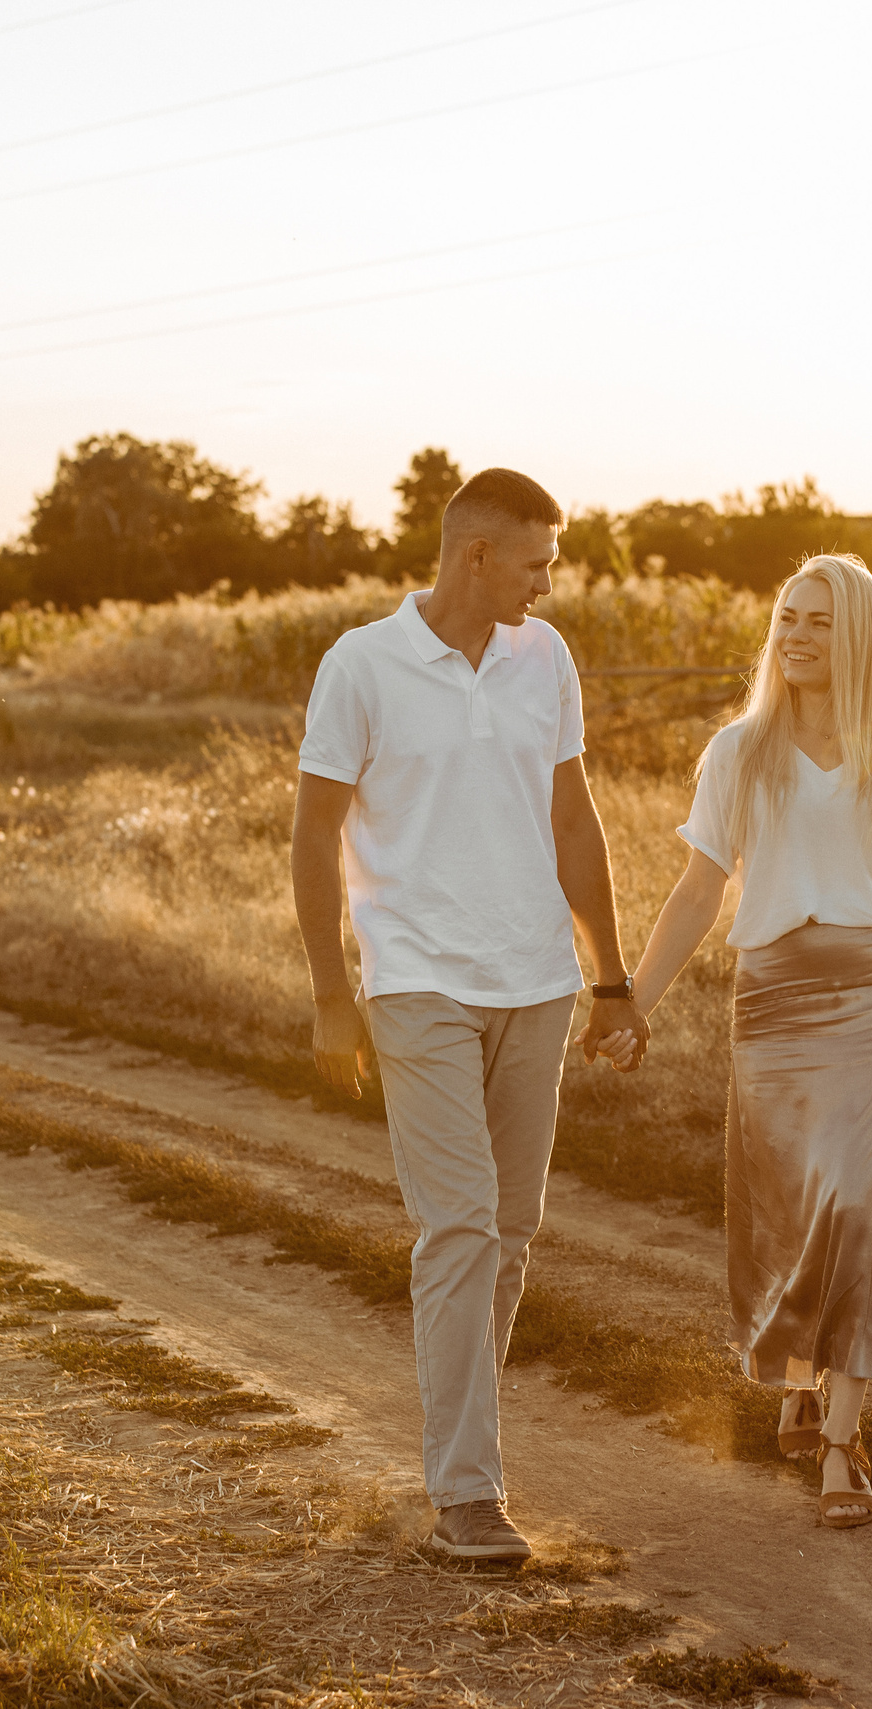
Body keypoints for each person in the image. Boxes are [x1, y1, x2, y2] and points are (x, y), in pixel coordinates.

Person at [291, 466, 647, 1563]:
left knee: (511, 1233)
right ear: (476, 555)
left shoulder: (546, 659)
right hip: (415, 979)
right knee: (460, 1225)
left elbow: (573, 818)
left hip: (534, 979)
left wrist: (612, 976)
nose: (550, 583)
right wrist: (330, 997)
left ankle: (459, 1448)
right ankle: (468, 1494)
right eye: (536, 562)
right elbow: (314, 836)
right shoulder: (362, 663)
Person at [605, 553, 872, 1530]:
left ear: (861, 639)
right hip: (773, 998)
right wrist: (630, 1000)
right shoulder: (738, 751)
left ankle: (842, 1438)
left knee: (857, 1202)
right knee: (789, 1207)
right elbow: (695, 890)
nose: (794, 635)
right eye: (784, 617)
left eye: (818, 621)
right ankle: (797, 1375)